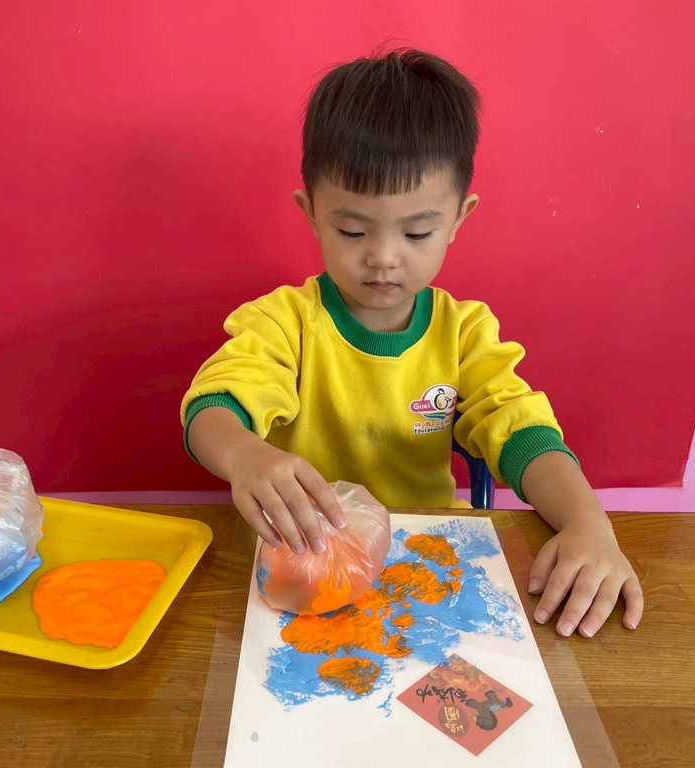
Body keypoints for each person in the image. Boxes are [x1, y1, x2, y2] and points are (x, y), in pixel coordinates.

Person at [180, 49, 642, 638]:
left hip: (426, 558)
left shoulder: (464, 334)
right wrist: (244, 454)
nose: (382, 257)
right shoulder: (285, 322)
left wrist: (588, 524)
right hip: (305, 555)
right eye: (351, 230)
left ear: (458, 219)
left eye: (417, 232)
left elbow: (522, 430)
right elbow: (213, 407)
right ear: (312, 214)